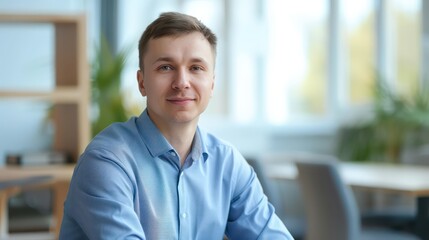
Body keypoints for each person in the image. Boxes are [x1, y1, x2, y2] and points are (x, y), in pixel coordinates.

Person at [59, 11, 294, 240]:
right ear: (142, 83)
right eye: (166, 67)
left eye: (196, 68)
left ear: (211, 84)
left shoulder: (227, 164)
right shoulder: (106, 161)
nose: (182, 83)